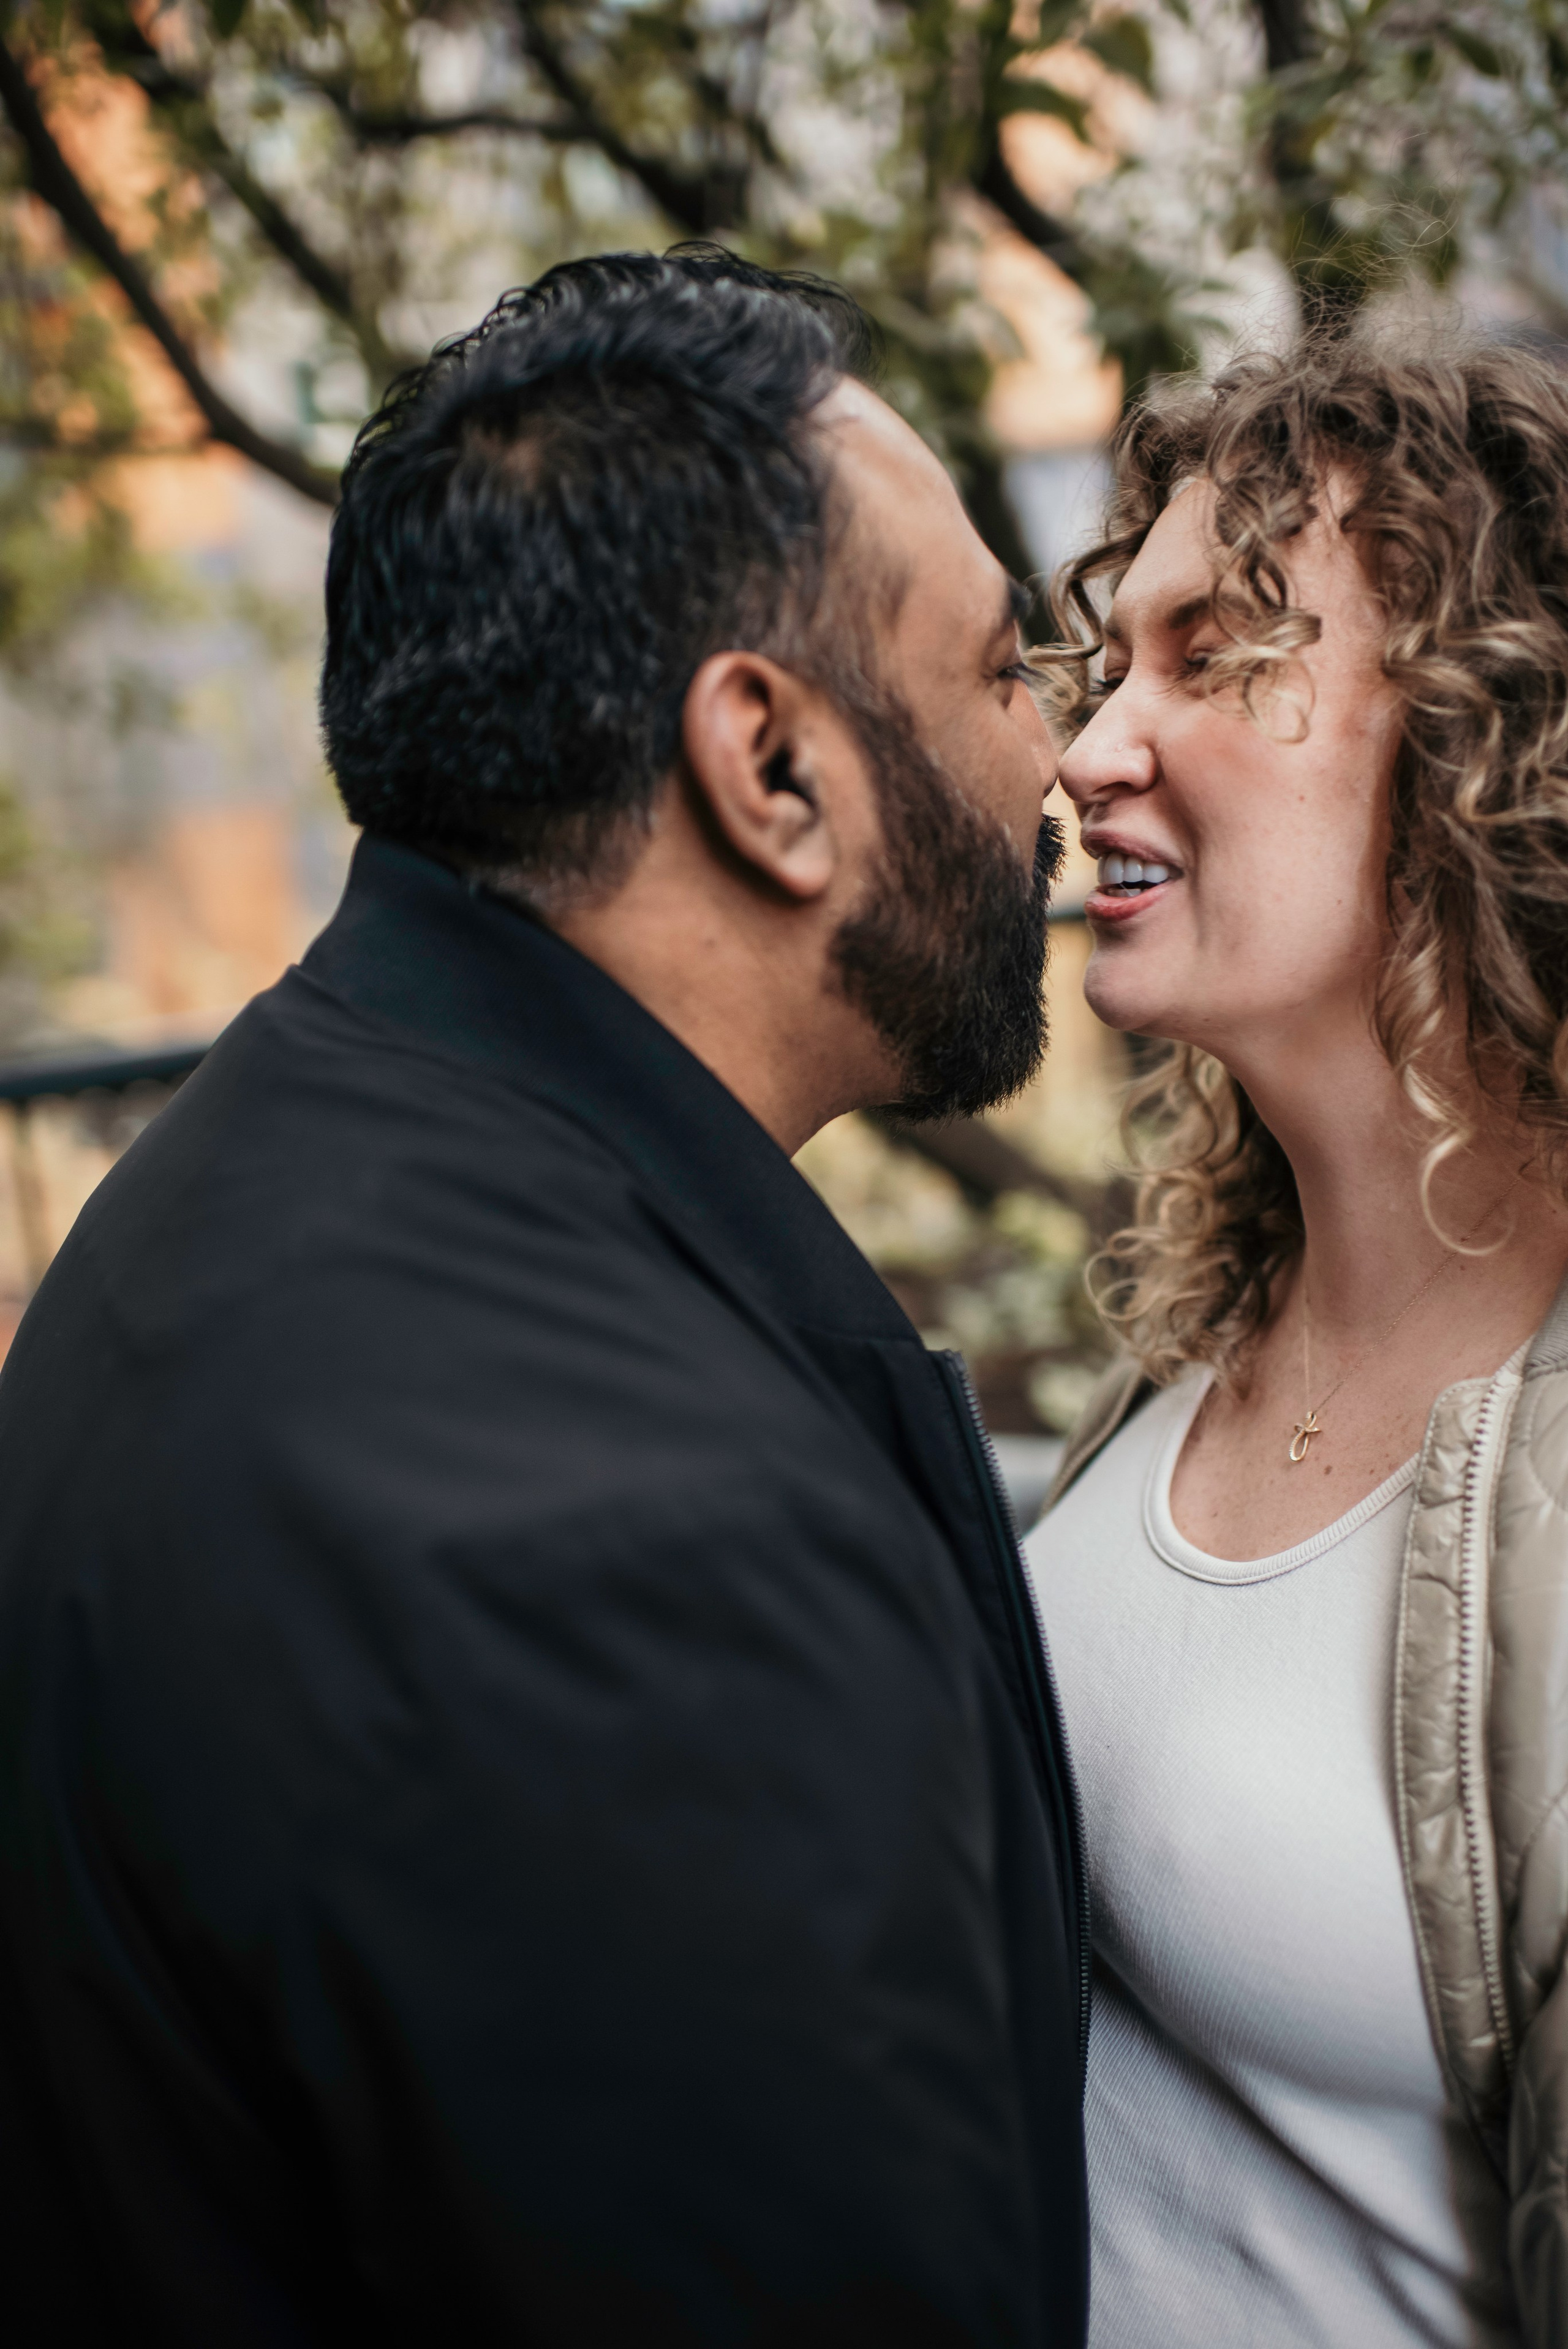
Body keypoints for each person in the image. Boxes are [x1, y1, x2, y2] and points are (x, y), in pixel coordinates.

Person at [0, 250, 1088, 2345]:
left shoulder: (229, 1188)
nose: (1059, 755)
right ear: (772, 768)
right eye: (1002, 669)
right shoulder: (642, 1558)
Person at [1025, 331, 1568, 2349]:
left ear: (1479, 733)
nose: (1090, 750)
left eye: (1216, 653)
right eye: (1115, 662)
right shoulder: (1204, 1319)